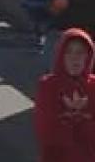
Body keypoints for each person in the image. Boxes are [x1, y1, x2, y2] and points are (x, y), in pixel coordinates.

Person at [34, 28, 95, 162]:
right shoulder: (48, 84)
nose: (75, 58)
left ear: (88, 56)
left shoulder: (93, 86)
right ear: (61, 55)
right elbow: (45, 129)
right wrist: (78, 119)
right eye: (68, 52)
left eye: (80, 53)